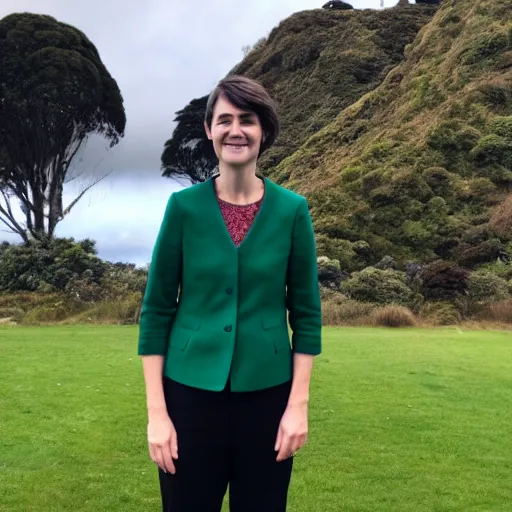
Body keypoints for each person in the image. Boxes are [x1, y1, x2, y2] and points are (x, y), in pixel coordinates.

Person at [137, 75, 322, 512]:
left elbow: (307, 315)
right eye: (224, 120)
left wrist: (298, 406)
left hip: (267, 399)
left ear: (264, 131)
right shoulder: (183, 209)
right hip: (188, 397)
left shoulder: (293, 210)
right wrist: (157, 415)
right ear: (209, 130)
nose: (235, 130)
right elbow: (157, 312)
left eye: (247, 120)